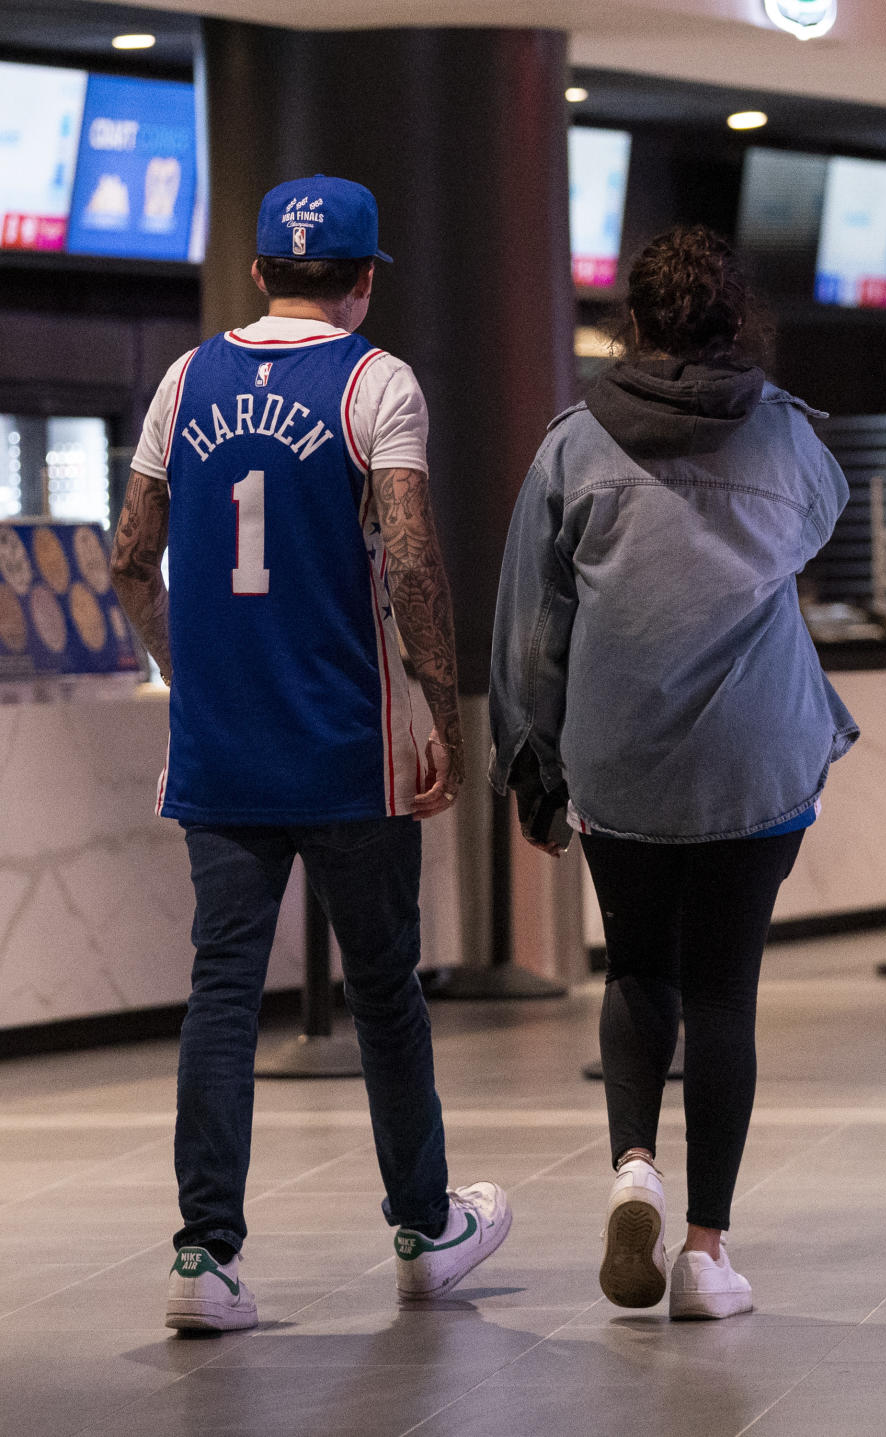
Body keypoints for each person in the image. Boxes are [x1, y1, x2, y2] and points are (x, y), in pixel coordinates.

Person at [110, 173, 511, 1332]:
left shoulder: (185, 381)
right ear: (367, 278)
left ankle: (205, 1261)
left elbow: (134, 556)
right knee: (387, 993)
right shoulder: (376, 381)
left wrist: (189, 675)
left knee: (221, 994)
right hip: (349, 748)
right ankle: (426, 1229)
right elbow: (414, 558)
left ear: (256, 273)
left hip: (222, 752)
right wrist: (445, 706)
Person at [488, 226, 858, 1319]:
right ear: (735, 319)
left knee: (638, 970)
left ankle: (634, 1165)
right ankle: (704, 1254)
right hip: (756, 759)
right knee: (723, 990)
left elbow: (529, 628)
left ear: (631, 322)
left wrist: (535, 763)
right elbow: (820, 526)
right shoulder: (788, 439)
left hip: (623, 761)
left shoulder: (573, 446)